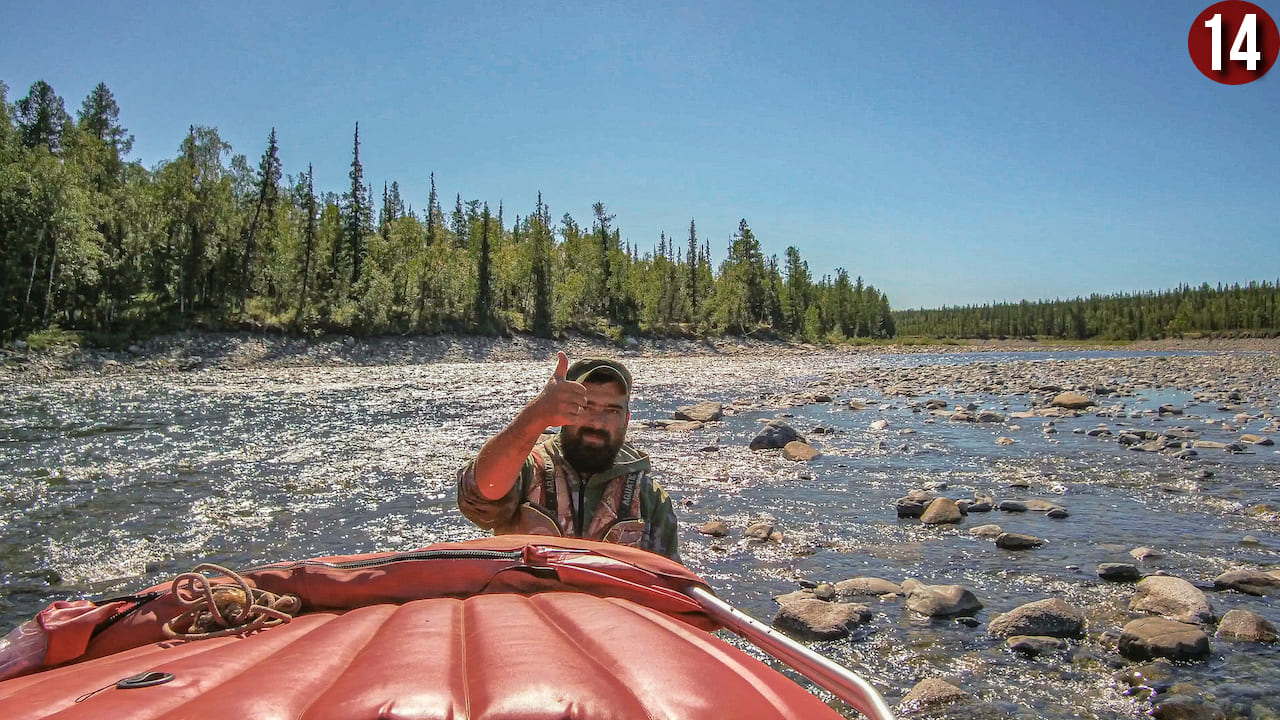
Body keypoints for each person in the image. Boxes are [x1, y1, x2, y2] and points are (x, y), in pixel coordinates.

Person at [457, 352, 680, 561]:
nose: (597, 423)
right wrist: (536, 416)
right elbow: (480, 493)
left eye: (612, 411)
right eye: (585, 406)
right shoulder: (526, 469)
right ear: (563, 411)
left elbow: (670, 583)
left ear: (627, 419)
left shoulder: (649, 498)